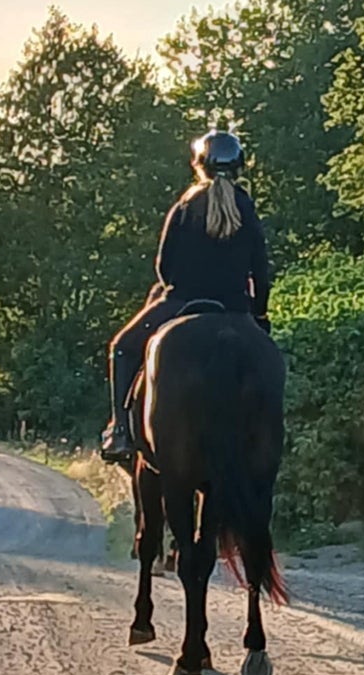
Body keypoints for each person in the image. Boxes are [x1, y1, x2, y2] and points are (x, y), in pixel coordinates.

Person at [100, 129, 271, 463]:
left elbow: (164, 266)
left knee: (121, 348)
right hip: (235, 309)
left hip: (182, 303)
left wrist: (176, 290)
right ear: (239, 168)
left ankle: (120, 432)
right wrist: (259, 314)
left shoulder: (186, 205)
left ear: (200, 165)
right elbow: (261, 271)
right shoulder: (246, 208)